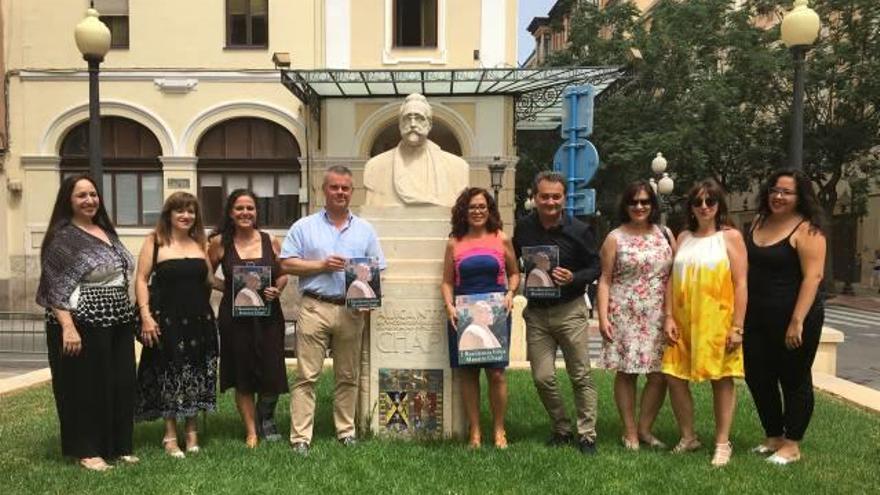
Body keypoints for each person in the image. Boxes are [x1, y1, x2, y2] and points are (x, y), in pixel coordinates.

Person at [280, 165, 386, 454]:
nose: (340, 192)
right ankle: (300, 438)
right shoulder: (304, 227)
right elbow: (286, 263)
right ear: (323, 190)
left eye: (345, 188)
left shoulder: (365, 230)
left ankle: (345, 431)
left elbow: (378, 269)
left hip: (351, 311)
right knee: (306, 376)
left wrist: (368, 302)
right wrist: (321, 265)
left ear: (351, 192)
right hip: (315, 306)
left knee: (348, 375)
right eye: (334, 187)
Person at [36, 174, 138, 471]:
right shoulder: (63, 238)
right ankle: (87, 449)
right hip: (81, 324)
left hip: (117, 321)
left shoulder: (105, 230)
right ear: (68, 200)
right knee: (84, 387)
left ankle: (118, 445)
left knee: (120, 383)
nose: (90, 200)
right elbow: (54, 287)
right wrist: (68, 327)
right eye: (82, 195)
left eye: (93, 194)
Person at [512, 171, 601, 455]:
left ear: (563, 198)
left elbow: (596, 268)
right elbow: (514, 260)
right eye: (544, 196)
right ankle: (562, 428)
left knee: (580, 376)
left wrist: (573, 277)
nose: (550, 202)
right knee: (542, 377)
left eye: (556, 196)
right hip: (537, 313)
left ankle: (587, 435)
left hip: (570, 310)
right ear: (534, 198)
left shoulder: (579, 229)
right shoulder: (523, 228)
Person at [661, 179, 748, 467]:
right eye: (698, 202)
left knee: (721, 379)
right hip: (683, 320)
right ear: (691, 207)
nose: (704, 207)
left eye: (710, 201)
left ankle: (723, 442)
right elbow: (671, 279)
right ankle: (688, 436)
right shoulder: (683, 236)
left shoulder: (731, 237)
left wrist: (737, 326)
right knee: (674, 375)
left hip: (717, 319)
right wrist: (669, 316)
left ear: (719, 205)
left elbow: (741, 283)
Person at [744, 169, 826, 465]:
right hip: (757, 316)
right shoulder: (758, 221)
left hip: (796, 317)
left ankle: (792, 444)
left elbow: (812, 278)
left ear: (799, 196)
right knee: (757, 376)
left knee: (794, 379)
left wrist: (797, 321)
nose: (778, 196)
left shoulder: (808, 230)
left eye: (786, 192)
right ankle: (773, 436)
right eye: (775, 190)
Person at [134, 192, 218, 458]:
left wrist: (246, 290)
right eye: (180, 210)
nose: (186, 216)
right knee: (169, 372)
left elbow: (209, 281)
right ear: (168, 214)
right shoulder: (155, 241)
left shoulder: (199, 242)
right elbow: (141, 279)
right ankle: (170, 435)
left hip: (199, 320)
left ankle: (192, 432)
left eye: (191, 211)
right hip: (166, 320)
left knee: (195, 372)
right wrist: (145, 316)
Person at [208, 189, 289, 448]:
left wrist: (278, 288)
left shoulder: (271, 240)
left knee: (271, 370)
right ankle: (252, 431)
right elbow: (206, 276)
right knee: (242, 373)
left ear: (256, 212)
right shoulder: (219, 242)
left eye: (250, 208)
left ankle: (266, 418)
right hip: (236, 319)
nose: (245, 213)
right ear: (231, 213)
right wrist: (230, 290)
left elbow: (283, 273)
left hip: (268, 316)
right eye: (239, 208)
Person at [441, 187, 520, 449]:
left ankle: (499, 429)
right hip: (463, 313)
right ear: (464, 210)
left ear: (489, 210)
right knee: (468, 373)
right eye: (472, 207)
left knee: (496, 373)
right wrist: (449, 305)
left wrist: (510, 292)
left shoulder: (501, 238)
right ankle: (475, 431)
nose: (477, 211)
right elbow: (447, 282)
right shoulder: (454, 242)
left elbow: (514, 273)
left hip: (495, 311)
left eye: (482, 207)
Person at [597, 180, 672, 451]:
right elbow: (604, 280)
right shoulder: (615, 237)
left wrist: (672, 313)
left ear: (652, 205)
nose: (639, 207)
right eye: (634, 202)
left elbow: (673, 275)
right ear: (625, 205)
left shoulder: (664, 233)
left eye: (645, 202)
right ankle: (629, 432)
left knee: (659, 374)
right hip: (625, 312)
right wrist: (603, 317)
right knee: (627, 372)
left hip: (659, 313)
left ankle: (645, 428)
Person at [363, 93, 469, 207]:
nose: (413, 124)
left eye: (419, 118)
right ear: (400, 125)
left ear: (429, 124)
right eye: (407, 118)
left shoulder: (457, 167)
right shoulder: (375, 167)